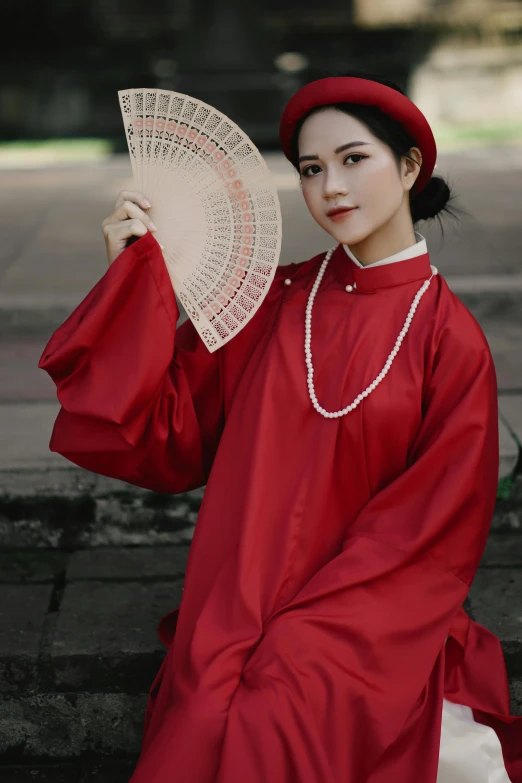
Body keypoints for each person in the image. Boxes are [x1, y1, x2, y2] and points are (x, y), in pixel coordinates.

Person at [38, 73, 522, 782]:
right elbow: (166, 434)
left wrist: (309, 630)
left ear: (411, 165)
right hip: (239, 598)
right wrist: (132, 284)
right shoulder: (270, 299)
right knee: (205, 722)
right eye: (311, 168)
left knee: (281, 708)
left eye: (355, 159)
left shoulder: (451, 342)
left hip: (367, 615)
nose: (331, 186)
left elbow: (429, 530)